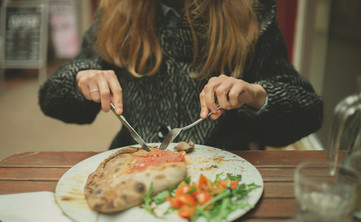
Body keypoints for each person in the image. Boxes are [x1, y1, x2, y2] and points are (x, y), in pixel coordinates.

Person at [39, 0, 323, 151]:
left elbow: (308, 111)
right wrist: (79, 80)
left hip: (222, 170)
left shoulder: (251, 12)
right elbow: (51, 99)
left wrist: (257, 95)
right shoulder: (114, 13)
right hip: (131, 167)